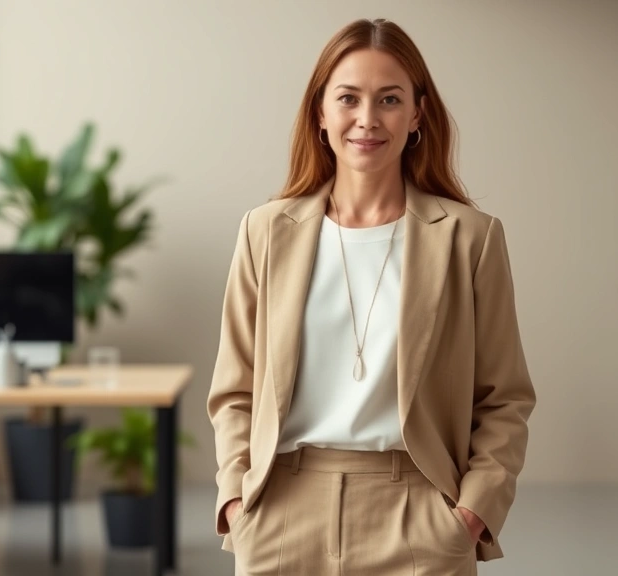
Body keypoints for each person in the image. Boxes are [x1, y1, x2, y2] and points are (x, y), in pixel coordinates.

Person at [207, 17, 536, 576]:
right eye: (348, 99)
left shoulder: (470, 238)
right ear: (320, 113)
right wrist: (239, 503)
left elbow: (504, 398)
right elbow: (234, 390)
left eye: (389, 99)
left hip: (419, 514)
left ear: (417, 114)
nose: (367, 119)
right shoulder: (264, 231)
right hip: (282, 515)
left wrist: (471, 514)